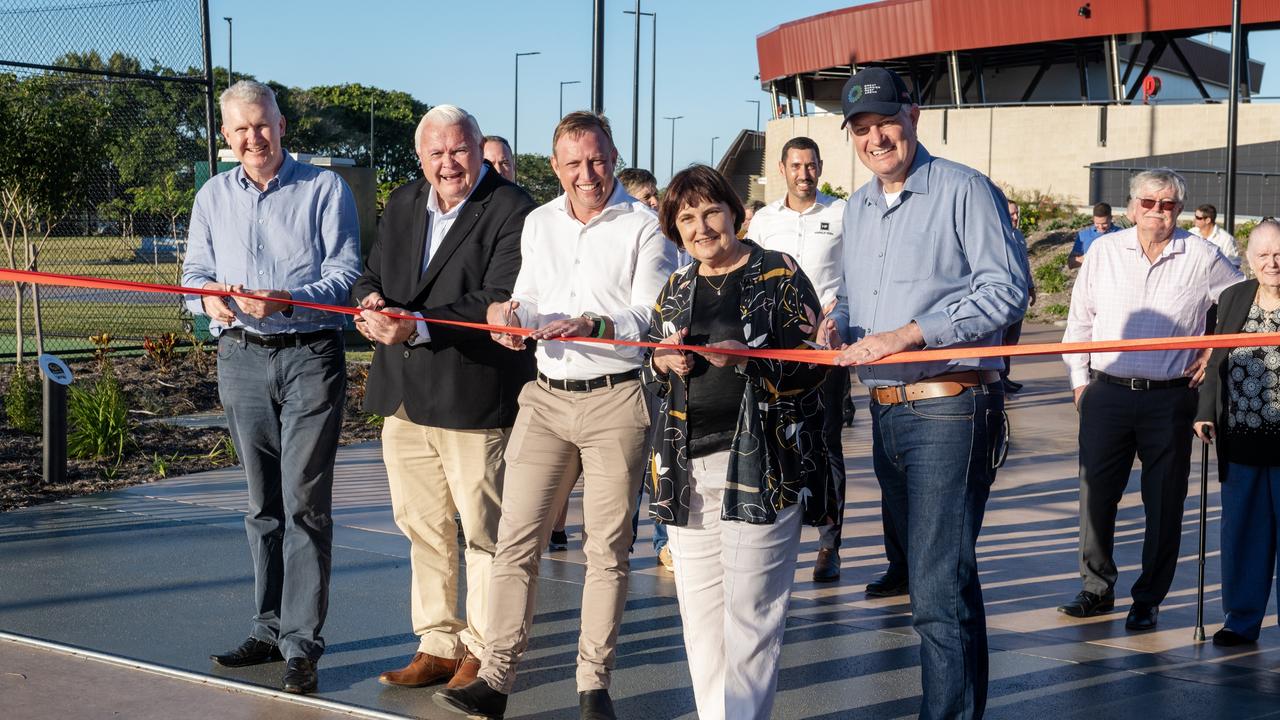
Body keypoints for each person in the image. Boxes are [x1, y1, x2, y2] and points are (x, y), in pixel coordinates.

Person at [434, 111, 675, 720]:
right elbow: (531, 295)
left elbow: (653, 314)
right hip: (544, 396)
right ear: (556, 167)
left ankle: (594, 686)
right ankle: (494, 680)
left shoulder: (645, 226)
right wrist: (511, 319)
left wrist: (596, 324)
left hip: (616, 398)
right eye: (572, 164)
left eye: (595, 160)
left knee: (607, 551)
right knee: (515, 543)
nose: (586, 174)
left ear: (614, 156)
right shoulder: (539, 222)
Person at [829, 66, 1030, 720]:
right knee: (943, 580)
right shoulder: (856, 208)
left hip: (951, 404)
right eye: (861, 128)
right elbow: (860, 300)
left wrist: (910, 334)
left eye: (884, 121)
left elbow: (1007, 290)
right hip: (885, 413)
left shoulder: (964, 189)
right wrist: (839, 325)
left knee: (936, 588)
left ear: (912, 116)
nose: (875, 137)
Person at [183, 80, 360, 695]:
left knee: (304, 504)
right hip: (240, 359)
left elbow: (343, 275)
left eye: (262, 125)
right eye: (241, 130)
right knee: (262, 506)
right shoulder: (211, 196)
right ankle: (265, 627)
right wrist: (211, 300)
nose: (253, 137)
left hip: (310, 355)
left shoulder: (324, 188)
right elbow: (194, 276)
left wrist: (288, 301)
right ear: (227, 138)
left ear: (281, 125)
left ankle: (301, 644)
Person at [351, 105, 536, 691]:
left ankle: (483, 650)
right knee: (422, 526)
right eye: (436, 154)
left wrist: (418, 325)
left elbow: (499, 295)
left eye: (459, 150)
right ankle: (437, 641)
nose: (448, 163)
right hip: (402, 396)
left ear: (479, 149)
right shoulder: (405, 202)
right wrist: (371, 305)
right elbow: (369, 272)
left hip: (472, 396)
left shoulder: (511, 208)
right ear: (420, 157)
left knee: (484, 533)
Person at [645, 164, 834, 719]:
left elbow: (812, 369)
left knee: (751, 617)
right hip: (687, 469)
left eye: (710, 212)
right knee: (700, 621)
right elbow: (652, 372)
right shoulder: (676, 288)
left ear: (734, 213)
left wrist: (749, 358)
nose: (701, 227)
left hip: (762, 465)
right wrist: (661, 361)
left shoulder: (779, 271)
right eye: (686, 218)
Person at [1059, 169, 1241, 633]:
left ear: (1179, 210)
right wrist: (1080, 382)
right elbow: (1080, 319)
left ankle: (1149, 598)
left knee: (1164, 503)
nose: (1157, 212)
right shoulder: (1104, 251)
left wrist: (1212, 352)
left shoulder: (1202, 255)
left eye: (1167, 205)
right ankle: (1095, 589)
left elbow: (1241, 303)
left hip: (1170, 398)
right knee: (1095, 497)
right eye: (1148, 203)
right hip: (1106, 393)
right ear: (1131, 206)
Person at [748, 135, 849, 583]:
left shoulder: (842, 215)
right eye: (795, 166)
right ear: (783, 170)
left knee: (825, 444)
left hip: (825, 350)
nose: (804, 174)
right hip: (776, 354)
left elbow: (857, 274)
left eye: (811, 166)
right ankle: (772, 537)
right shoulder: (765, 221)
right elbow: (750, 277)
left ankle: (830, 543)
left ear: (820, 167)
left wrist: (839, 314)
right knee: (772, 439)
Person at [1194, 220, 1280, 648]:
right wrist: (1205, 411)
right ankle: (1241, 621)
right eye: (1263, 255)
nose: (1273, 262)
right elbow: (1216, 360)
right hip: (1241, 440)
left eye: (1279, 253)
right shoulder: (1233, 298)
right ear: (1249, 259)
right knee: (1243, 534)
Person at [1000, 200, 1037, 395]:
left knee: (1011, 341)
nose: (1015, 217)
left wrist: (1031, 288)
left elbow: (1025, 265)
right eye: (1011, 214)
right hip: (1005, 298)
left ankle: (1005, 376)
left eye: (1016, 214)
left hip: (1020, 297)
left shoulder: (1019, 236)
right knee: (1001, 341)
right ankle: (998, 377)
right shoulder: (998, 236)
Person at [1067, 202, 1118, 269]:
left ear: (1111, 218)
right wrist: (1088, 257)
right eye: (1097, 223)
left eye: (1104, 223)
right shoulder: (1084, 235)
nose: (1100, 227)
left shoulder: (1120, 233)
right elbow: (1071, 263)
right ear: (1093, 219)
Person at [1191, 203, 1242, 269]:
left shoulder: (1226, 239)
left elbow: (1234, 264)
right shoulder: (1191, 233)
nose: (1194, 219)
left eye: (1197, 217)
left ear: (1208, 220)